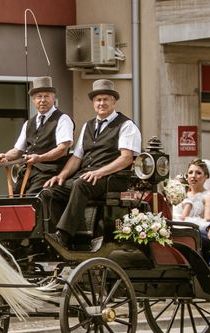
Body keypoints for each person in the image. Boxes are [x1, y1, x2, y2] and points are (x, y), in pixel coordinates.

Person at [42, 79, 142, 249]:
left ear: (113, 101)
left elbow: (126, 158)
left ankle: (64, 236)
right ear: (93, 103)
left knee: (81, 184)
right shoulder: (88, 125)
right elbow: (76, 158)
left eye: (105, 99)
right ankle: (50, 237)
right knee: (49, 192)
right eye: (98, 100)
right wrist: (61, 176)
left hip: (112, 178)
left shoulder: (126, 125)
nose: (101, 103)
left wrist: (100, 172)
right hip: (87, 175)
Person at [0, 76, 74, 194]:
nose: (42, 100)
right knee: (13, 199)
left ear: (53, 98)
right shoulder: (29, 123)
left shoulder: (63, 119)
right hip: (28, 171)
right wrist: (5, 156)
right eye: (39, 97)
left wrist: (40, 158)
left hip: (49, 172)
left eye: (46, 96)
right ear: (33, 100)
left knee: (31, 200)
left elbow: (62, 149)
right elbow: (18, 150)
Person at [176, 158, 210, 229]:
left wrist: (184, 221)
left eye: (198, 173)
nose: (193, 176)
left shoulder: (209, 196)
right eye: (190, 172)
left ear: (206, 176)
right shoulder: (180, 194)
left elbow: (207, 223)